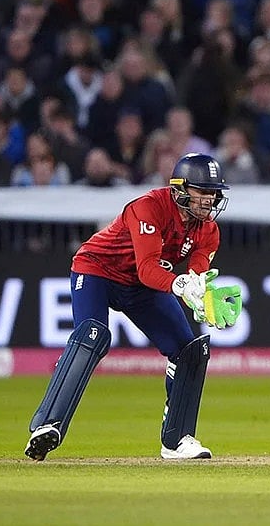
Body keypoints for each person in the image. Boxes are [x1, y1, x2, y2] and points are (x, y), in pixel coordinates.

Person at [25, 153, 243, 462]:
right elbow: (147, 269)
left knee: (189, 350)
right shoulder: (148, 207)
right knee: (92, 334)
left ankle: (177, 440)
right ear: (180, 189)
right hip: (98, 270)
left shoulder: (208, 230)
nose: (209, 200)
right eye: (202, 191)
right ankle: (47, 425)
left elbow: (196, 274)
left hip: (141, 289)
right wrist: (180, 285)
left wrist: (201, 294)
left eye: (213, 193)